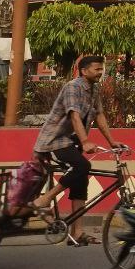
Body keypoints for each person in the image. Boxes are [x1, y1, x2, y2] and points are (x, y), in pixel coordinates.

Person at [30, 54, 124, 245]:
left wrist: (112, 141)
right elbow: (73, 115)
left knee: (80, 182)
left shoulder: (93, 90)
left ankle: (77, 233)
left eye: (101, 68)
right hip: (55, 140)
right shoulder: (73, 87)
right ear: (84, 70)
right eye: (97, 69)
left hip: (72, 142)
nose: (101, 72)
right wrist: (86, 140)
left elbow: (100, 116)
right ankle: (44, 200)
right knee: (82, 166)